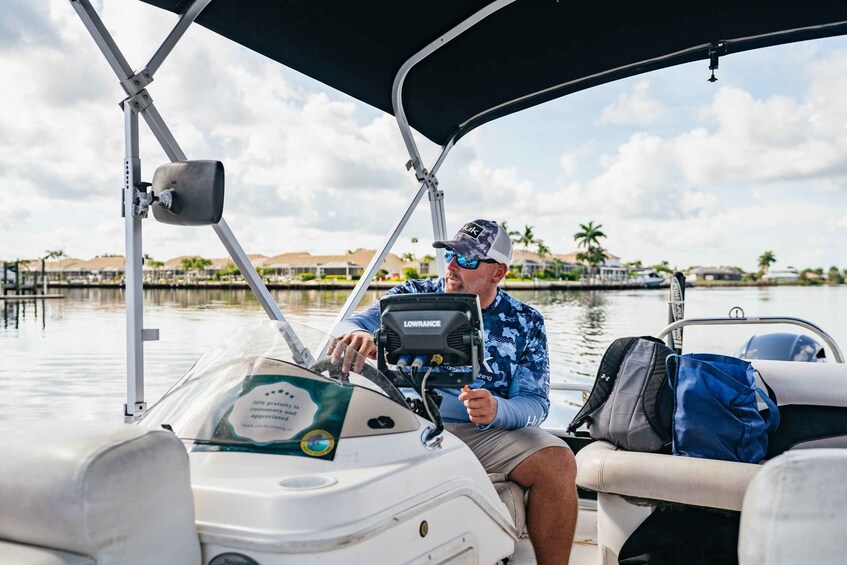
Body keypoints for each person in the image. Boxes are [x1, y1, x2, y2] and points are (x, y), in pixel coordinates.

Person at [331, 219, 578, 564]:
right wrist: (357, 336)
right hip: (410, 425)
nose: (451, 266)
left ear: (498, 273)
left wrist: (497, 410)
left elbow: (536, 403)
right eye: (451, 256)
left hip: (484, 433)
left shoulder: (525, 321)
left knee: (558, 461)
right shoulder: (413, 295)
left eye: (468, 260)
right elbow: (351, 324)